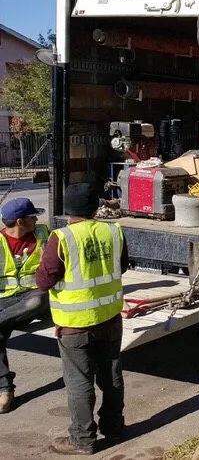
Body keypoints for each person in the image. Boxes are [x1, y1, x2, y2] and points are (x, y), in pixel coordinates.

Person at [35, 183, 129, 455]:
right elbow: (121, 266)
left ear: (67, 210)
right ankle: (113, 428)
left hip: (75, 324)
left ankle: (83, 440)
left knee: (79, 382)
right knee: (111, 376)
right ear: (94, 208)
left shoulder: (62, 238)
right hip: (110, 318)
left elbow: (45, 280)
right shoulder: (113, 231)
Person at [0, 198, 51, 414]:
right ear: (20, 221)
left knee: (37, 300)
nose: (36, 219)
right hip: (7, 299)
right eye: (32, 216)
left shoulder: (42, 234)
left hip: (36, 295)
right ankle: (5, 390)